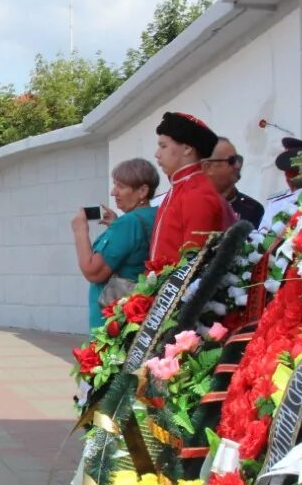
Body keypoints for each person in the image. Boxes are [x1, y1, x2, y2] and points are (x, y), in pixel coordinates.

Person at [71, 158, 159, 328]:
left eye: (121, 186)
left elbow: (93, 271)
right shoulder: (154, 215)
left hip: (114, 321)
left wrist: (80, 230)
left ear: (142, 191)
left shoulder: (128, 223)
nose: (113, 192)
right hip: (140, 314)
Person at [147, 111, 231, 270]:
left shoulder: (198, 193)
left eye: (163, 146)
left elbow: (193, 263)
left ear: (187, 148)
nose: (157, 154)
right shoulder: (179, 188)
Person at [202, 136, 263, 228]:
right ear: (208, 167)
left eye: (238, 159)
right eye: (231, 161)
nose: (238, 165)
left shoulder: (252, 208)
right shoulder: (188, 204)